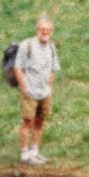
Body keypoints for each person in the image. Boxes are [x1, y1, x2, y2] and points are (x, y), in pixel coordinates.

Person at [15, 16, 60, 165]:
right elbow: (17, 68)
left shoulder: (52, 47)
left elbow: (54, 68)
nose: (45, 32)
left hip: (45, 92)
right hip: (29, 91)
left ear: (51, 31)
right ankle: (24, 154)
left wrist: (50, 86)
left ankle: (35, 151)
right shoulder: (26, 45)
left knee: (40, 121)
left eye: (48, 30)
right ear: (37, 30)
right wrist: (24, 87)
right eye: (42, 29)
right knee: (27, 121)